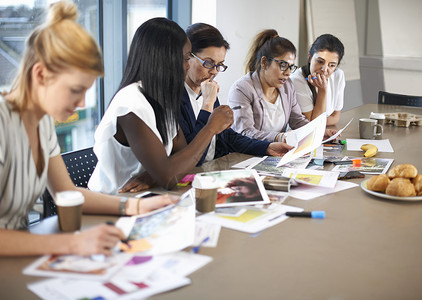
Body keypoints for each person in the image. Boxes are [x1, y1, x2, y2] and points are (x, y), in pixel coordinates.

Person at [0, 1, 173, 257]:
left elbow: (66, 192)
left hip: (20, 256)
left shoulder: (42, 122)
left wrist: (134, 207)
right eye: (75, 90)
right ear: (40, 75)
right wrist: (73, 244)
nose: (81, 104)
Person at [88, 18, 233, 195]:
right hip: (113, 203)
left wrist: (151, 176)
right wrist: (210, 127)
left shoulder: (160, 98)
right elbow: (168, 177)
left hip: (148, 198)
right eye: (187, 58)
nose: (188, 66)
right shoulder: (131, 103)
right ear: (166, 60)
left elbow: (186, 156)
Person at [181, 23, 293, 166]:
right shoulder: (177, 99)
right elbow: (192, 156)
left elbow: (226, 136)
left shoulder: (207, 89)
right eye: (208, 63)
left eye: (219, 65)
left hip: (213, 168)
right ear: (187, 57)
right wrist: (207, 105)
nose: (214, 71)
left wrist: (266, 147)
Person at [227, 29, 310, 143]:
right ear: (264, 62)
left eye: (291, 67)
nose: (288, 73)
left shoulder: (288, 86)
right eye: (283, 65)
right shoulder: (241, 89)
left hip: (275, 155)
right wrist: (279, 137)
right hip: (247, 155)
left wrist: (316, 131)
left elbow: (298, 120)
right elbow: (245, 132)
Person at [291, 34, 345, 125]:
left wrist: (318, 122)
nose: (324, 69)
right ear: (309, 57)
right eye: (320, 61)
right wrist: (322, 90)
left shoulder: (338, 75)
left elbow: (336, 117)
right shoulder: (296, 80)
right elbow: (313, 125)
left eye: (332, 65)